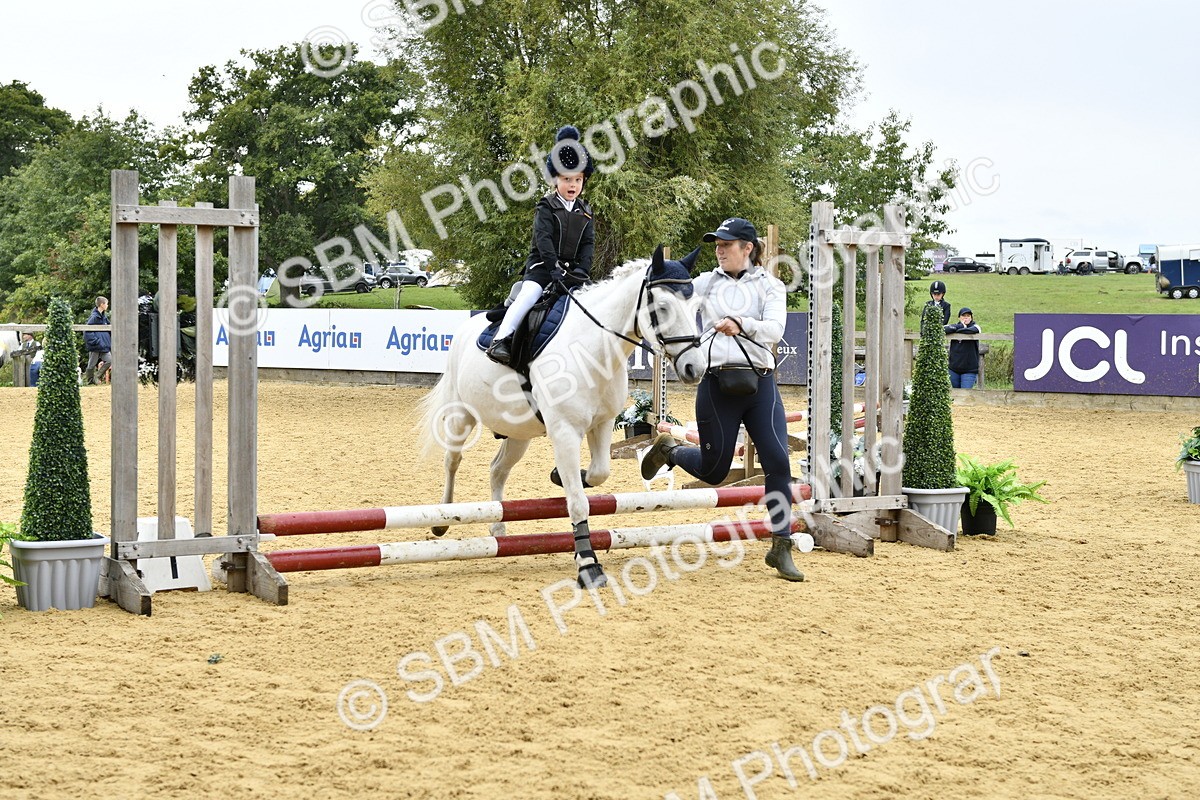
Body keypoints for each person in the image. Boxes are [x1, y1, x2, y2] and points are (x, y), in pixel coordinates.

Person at [638, 218, 803, 582]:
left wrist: (741, 323)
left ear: (748, 248)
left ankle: (781, 545)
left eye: (726, 244)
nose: (719, 249)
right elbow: (670, 295)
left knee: (778, 461)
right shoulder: (704, 283)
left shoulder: (771, 285)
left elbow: (775, 328)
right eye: (716, 244)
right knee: (714, 471)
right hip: (716, 386)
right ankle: (672, 451)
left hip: (760, 385)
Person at [487, 125, 595, 365]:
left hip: (572, 274)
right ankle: (500, 340)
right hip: (542, 269)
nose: (573, 185)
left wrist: (583, 270)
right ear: (555, 179)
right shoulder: (545, 206)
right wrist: (553, 267)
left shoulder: (586, 211)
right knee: (529, 295)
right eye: (567, 179)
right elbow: (543, 239)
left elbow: (588, 244)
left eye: (578, 179)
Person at [945, 307, 981, 389]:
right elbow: (943, 329)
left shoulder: (976, 326)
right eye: (963, 316)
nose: (966, 317)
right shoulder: (955, 326)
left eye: (968, 316)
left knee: (965, 395)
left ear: (971, 317)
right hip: (954, 369)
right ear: (959, 318)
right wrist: (960, 326)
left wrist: (959, 329)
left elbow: (971, 331)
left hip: (969, 370)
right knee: (956, 394)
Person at [84, 296, 112, 385]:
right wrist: (96, 341)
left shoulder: (104, 317)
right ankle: (90, 381)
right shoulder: (94, 317)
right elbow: (87, 331)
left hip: (104, 346)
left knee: (110, 361)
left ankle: (97, 377)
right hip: (96, 346)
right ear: (102, 304)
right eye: (106, 304)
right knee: (91, 365)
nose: (107, 305)